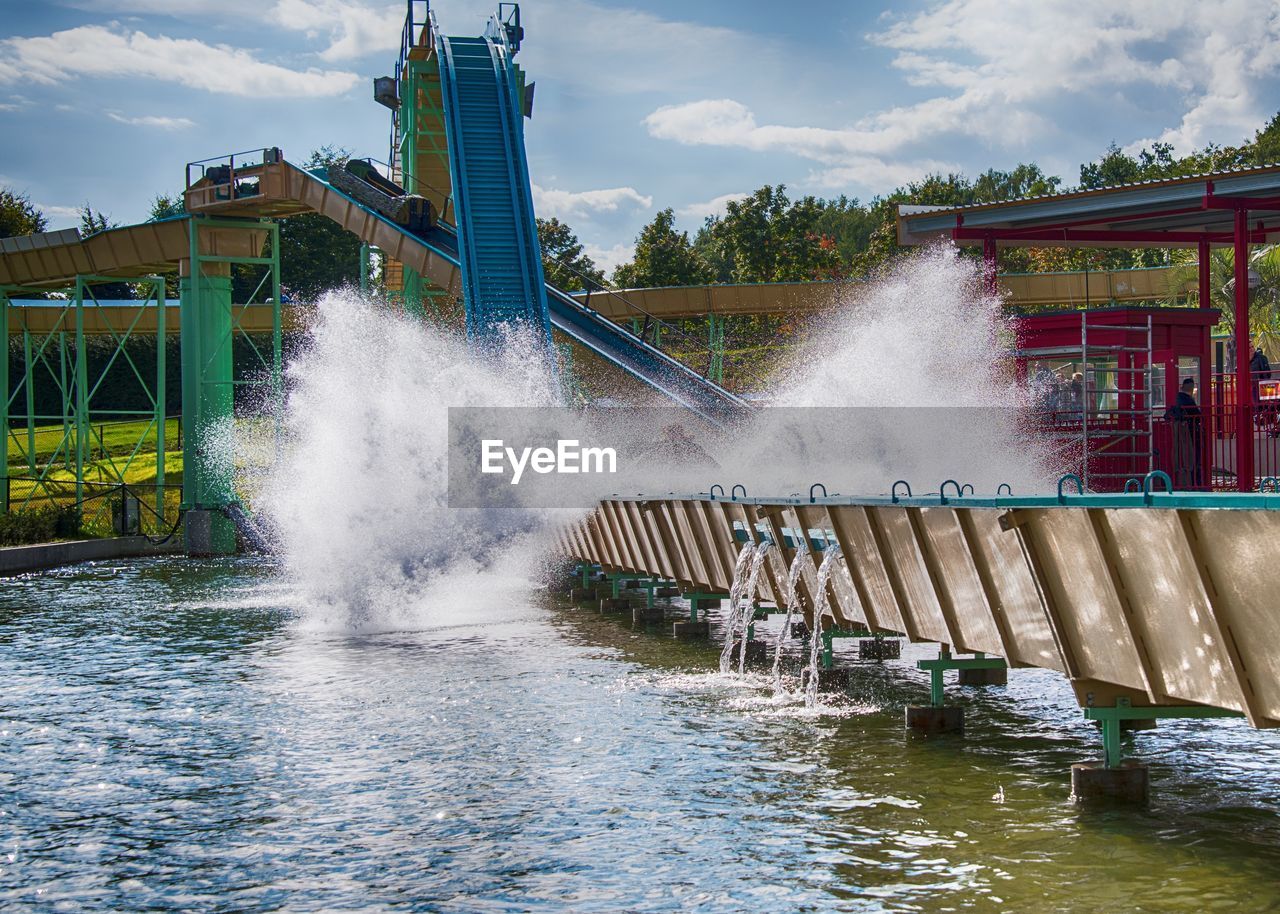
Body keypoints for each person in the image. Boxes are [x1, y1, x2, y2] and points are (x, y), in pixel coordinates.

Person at [1169, 377, 1203, 488]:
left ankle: (1188, 482)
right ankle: (1195, 482)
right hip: (1190, 433)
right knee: (1193, 458)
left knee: (1184, 458)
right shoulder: (1187, 399)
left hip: (1184, 432)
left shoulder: (1179, 398)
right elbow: (1198, 416)